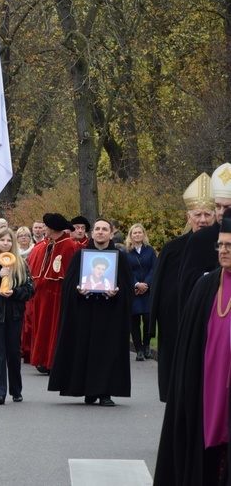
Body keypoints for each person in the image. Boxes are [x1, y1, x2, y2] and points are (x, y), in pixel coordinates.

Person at [155, 209, 231, 485]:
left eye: (229, 246)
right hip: (208, 385)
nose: (223, 252)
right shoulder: (205, 287)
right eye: (220, 245)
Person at [48, 218, 133, 407]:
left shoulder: (121, 257)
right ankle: (86, 389)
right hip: (84, 312)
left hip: (109, 314)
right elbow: (69, 283)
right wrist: (77, 289)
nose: (101, 232)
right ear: (92, 233)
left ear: (111, 234)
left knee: (106, 353)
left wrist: (117, 292)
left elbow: (127, 287)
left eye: (105, 229)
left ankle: (104, 392)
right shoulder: (80, 256)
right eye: (97, 229)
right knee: (83, 350)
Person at [152, 173, 214, 402]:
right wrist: (152, 324)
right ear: (189, 216)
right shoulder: (173, 248)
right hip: (175, 321)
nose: (203, 219)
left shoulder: (222, 246)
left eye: (208, 214)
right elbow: (159, 286)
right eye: (198, 214)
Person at [0, 228, 34, 405]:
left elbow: (30, 289)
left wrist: (15, 292)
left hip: (14, 314)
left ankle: (16, 390)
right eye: (2, 240)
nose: (5, 243)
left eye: (9, 241)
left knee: (13, 352)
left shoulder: (21, 265)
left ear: (14, 243)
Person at [24, 213, 80, 372]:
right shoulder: (45, 244)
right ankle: (42, 359)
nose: (43, 228)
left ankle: (53, 360)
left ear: (54, 229)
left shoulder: (69, 245)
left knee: (53, 327)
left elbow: (68, 274)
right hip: (42, 295)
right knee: (42, 327)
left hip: (57, 295)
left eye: (46, 226)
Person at [178, 163, 231, 314]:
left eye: (227, 207)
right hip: (207, 314)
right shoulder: (199, 239)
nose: (221, 212)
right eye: (218, 206)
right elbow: (187, 285)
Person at [123, 223, 157, 361]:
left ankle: (147, 345)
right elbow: (126, 271)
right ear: (130, 235)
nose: (137, 235)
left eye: (139, 232)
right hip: (134, 292)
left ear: (143, 234)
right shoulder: (125, 252)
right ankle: (139, 350)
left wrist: (146, 284)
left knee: (148, 319)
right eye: (134, 233)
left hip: (147, 291)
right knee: (134, 321)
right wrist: (136, 284)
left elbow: (154, 268)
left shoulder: (150, 250)